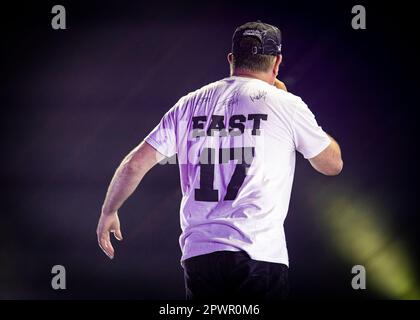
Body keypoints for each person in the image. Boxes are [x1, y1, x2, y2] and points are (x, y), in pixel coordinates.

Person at [96, 21, 343, 300]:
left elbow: (134, 164)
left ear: (231, 59)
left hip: (200, 256)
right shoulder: (286, 105)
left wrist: (109, 211)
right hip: (257, 253)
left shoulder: (189, 104)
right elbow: (331, 164)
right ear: (277, 63)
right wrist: (295, 112)